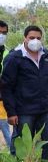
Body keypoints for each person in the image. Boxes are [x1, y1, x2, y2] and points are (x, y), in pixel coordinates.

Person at [0, 25, 48, 162]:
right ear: (25, 38)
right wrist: (11, 112)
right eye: (32, 38)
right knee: (23, 147)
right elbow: (6, 87)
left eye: (38, 38)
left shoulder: (46, 55)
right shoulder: (14, 57)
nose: (35, 41)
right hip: (24, 111)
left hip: (45, 109)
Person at [0, 20, 11, 149]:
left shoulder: (8, 53)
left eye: (4, 33)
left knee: (5, 128)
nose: (2, 35)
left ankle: (12, 153)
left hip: (2, 99)